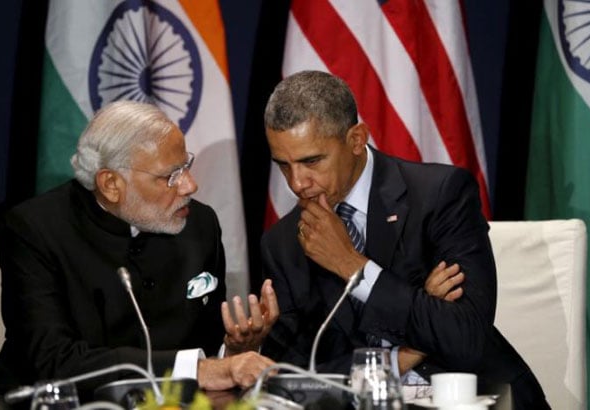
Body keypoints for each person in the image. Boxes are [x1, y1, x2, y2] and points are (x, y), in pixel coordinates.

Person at [232, 70, 548, 409]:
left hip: (471, 396)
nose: (297, 183)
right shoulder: (283, 243)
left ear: (356, 139)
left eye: (312, 161)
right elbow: (290, 381)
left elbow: (465, 338)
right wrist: (404, 351)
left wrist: (352, 265)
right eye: (284, 165)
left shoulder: (439, 196)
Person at [0, 100, 274, 405]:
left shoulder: (200, 224)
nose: (190, 185)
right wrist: (195, 370)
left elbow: (209, 347)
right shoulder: (35, 230)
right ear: (111, 184)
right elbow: (53, 361)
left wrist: (234, 350)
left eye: (186, 165)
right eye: (170, 176)